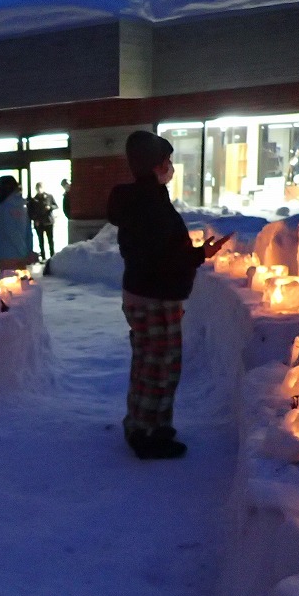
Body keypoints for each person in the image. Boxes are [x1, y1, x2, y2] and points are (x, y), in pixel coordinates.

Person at [108, 130, 231, 460]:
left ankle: (145, 423)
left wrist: (195, 253)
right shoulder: (150, 204)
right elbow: (162, 256)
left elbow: (159, 251)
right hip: (154, 297)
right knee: (160, 367)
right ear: (154, 165)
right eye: (167, 161)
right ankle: (148, 435)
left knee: (147, 363)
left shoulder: (142, 200)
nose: (171, 166)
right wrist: (199, 254)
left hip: (143, 292)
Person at [0, 175, 34, 274]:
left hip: (6, 255)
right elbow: (28, 230)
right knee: (21, 286)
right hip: (20, 254)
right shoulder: (22, 205)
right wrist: (27, 251)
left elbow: (10, 231)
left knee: (10, 287)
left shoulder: (4, 207)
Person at [27, 182, 59, 261]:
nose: (39, 190)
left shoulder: (49, 197)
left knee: (50, 240)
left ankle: (52, 256)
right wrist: (35, 219)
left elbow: (56, 206)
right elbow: (30, 212)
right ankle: (43, 256)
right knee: (41, 241)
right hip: (39, 223)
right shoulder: (34, 200)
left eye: (40, 188)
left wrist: (50, 207)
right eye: (38, 188)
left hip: (48, 221)